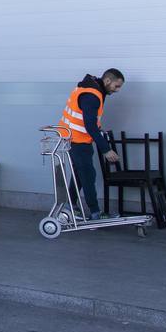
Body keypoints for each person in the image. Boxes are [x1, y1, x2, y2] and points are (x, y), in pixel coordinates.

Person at [56, 68, 125, 220]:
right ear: (107, 81)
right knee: (87, 175)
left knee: (80, 174)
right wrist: (106, 149)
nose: (117, 90)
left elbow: (89, 121)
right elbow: (90, 125)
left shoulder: (91, 88)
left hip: (72, 137)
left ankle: (70, 205)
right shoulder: (92, 95)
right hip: (77, 139)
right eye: (116, 86)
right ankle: (95, 213)